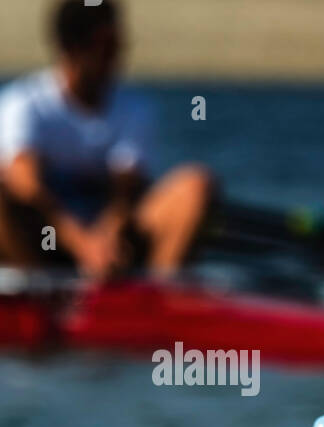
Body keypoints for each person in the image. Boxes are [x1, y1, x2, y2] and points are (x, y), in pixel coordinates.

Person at [0, 0, 214, 278]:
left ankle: (158, 297)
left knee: (195, 185)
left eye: (119, 44)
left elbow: (125, 190)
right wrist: (83, 245)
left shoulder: (136, 107)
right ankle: (39, 293)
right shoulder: (24, 103)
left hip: (115, 243)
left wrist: (105, 239)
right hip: (44, 237)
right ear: (71, 47)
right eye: (107, 45)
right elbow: (26, 186)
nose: (118, 55)